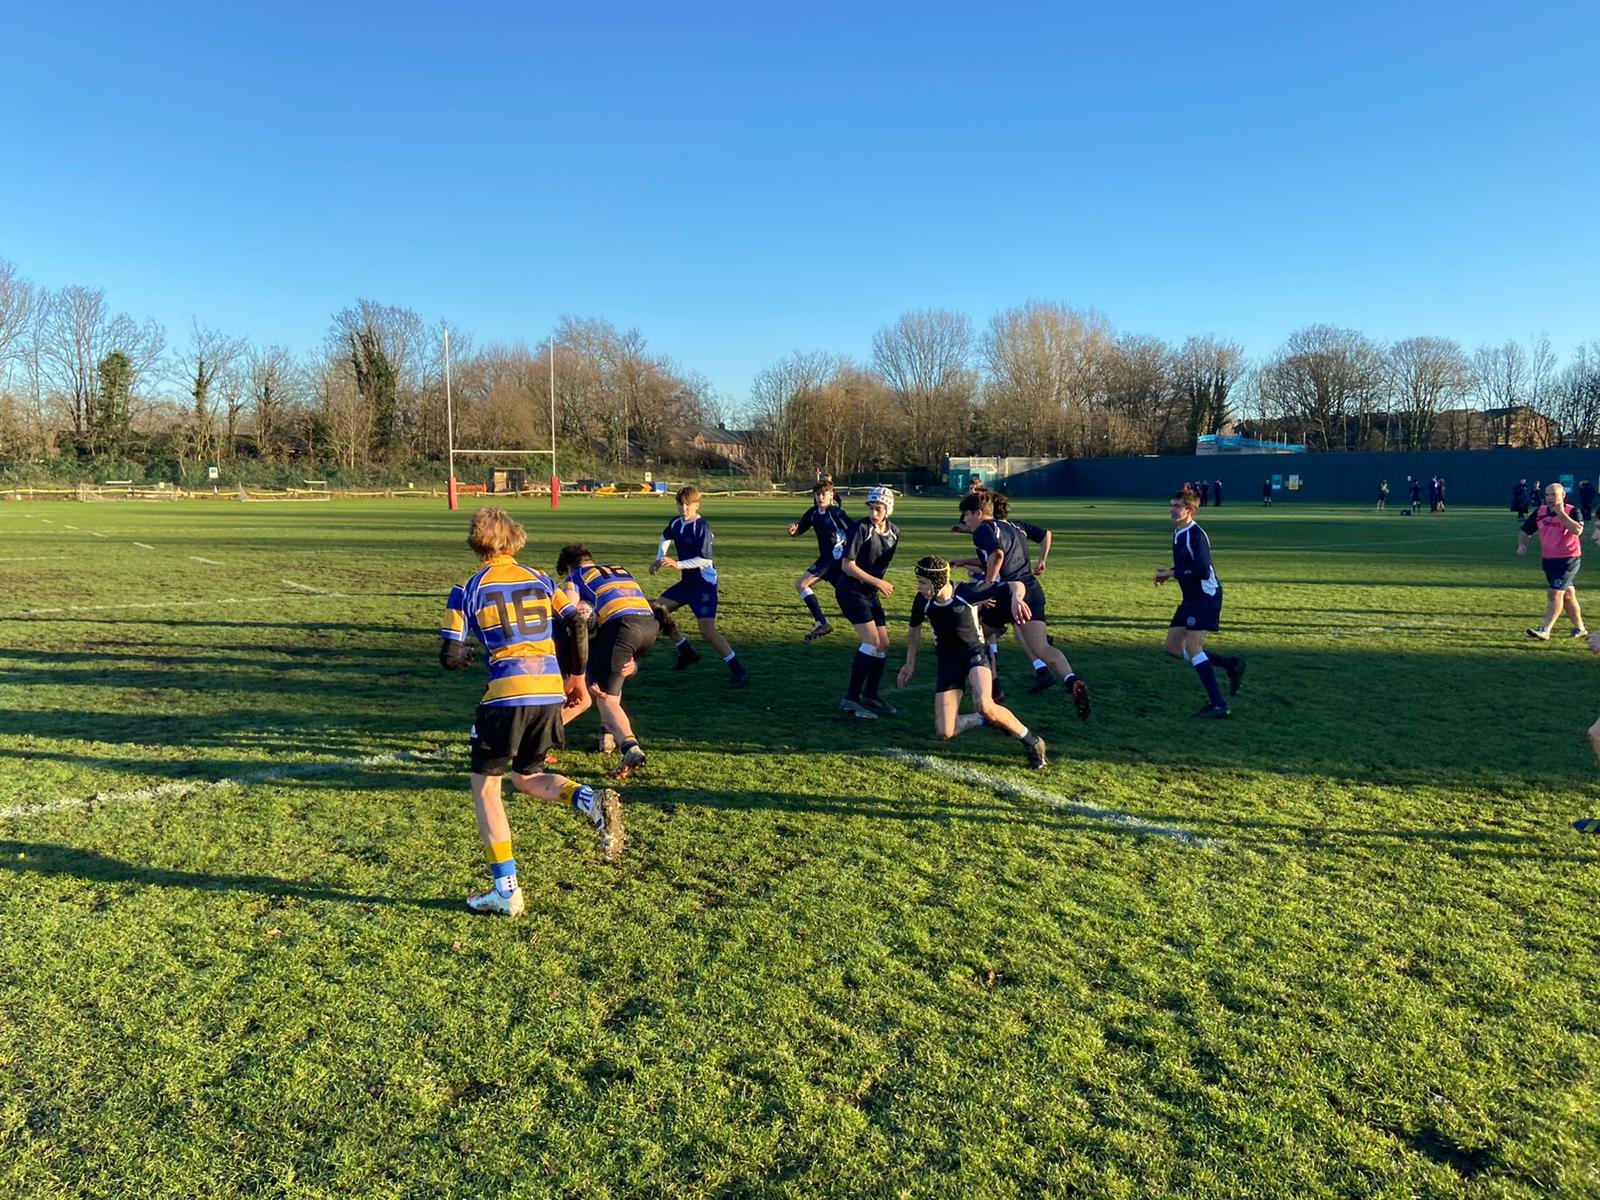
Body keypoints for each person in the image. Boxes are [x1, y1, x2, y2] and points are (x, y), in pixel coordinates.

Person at [439, 507, 624, 918]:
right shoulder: (541, 578)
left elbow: (450, 656)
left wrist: (466, 656)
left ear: (477, 542)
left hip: (506, 696)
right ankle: (589, 800)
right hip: (545, 692)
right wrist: (576, 676)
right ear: (514, 540)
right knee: (527, 776)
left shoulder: (467, 588)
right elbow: (577, 622)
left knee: (487, 788)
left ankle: (506, 889)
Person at [897, 555, 1048, 769]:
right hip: (948, 662)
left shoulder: (969, 592)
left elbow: (1016, 585)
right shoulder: (922, 601)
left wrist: (1016, 599)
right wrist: (909, 662)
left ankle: (1032, 740)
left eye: (922, 582)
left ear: (937, 582)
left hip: (974, 654)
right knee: (945, 732)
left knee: (985, 703)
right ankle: (984, 720)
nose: (918, 586)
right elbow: (914, 631)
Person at [956, 489, 1091, 719]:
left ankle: (994, 692)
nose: (964, 519)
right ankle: (1071, 680)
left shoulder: (983, 530)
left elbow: (997, 556)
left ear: (978, 513)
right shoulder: (1015, 526)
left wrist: (987, 587)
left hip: (1006, 594)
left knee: (979, 637)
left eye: (966, 514)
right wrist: (965, 561)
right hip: (1031, 590)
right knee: (1042, 648)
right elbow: (997, 557)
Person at [557, 543, 674, 780]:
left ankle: (630, 748)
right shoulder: (620, 569)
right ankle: (606, 734)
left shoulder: (576, 576)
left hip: (621, 626)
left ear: (569, 567)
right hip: (649, 625)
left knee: (604, 697)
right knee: (612, 680)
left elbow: (569, 611)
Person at [1155, 486, 1245, 718]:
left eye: (1178, 506)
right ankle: (1230, 665)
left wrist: (1174, 573)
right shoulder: (1178, 532)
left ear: (1190, 510)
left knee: (1193, 647)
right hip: (1191, 598)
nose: (1173, 510)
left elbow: (1203, 570)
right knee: (1173, 648)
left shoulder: (1196, 535)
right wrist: (1171, 571)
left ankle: (1219, 705)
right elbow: (1189, 567)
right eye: (1171, 506)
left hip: (1206, 596)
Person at [652, 485, 749, 688]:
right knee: (657, 611)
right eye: (680, 504)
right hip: (687, 583)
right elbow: (665, 537)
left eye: (688, 505)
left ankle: (738, 670)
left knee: (707, 630)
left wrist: (677, 564)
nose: (684, 509)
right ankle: (686, 651)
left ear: (697, 505)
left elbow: (705, 560)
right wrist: (659, 559)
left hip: (704, 585)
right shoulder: (676, 523)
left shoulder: (701, 527)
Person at [835, 486, 900, 717]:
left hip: (869, 592)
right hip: (850, 590)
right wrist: (879, 583)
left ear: (888, 509)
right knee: (871, 642)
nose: (874, 513)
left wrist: (876, 584)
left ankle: (871, 695)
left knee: (883, 644)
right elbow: (847, 566)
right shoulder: (861, 528)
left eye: (878, 509)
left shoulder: (894, 533)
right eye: (871, 508)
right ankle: (850, 698)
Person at [1517, 482, 1586, 641]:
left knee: (1555, 592)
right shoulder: (1540, 512)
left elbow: (1577, 530)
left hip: (1569, 559)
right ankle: (1580, 628)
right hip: (1549, 559)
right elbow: (1525, 530)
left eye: (1553, 494)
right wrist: (1522, 544)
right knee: (1567, 595)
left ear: (1563, 496)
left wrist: (1561, 514)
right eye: (1547, 494)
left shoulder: (1572, 511)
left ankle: (1545, 630)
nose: (1549, 498)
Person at [787, 478, 852, 642]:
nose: (820, 497)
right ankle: (871, 619)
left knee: (801, 584)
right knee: (848, 596)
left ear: (832, 495)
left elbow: (854, 531)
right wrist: (794, 531)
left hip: (834, 559)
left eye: (824, 494)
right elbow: (801, 528)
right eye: (817, 494)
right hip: (828, 559)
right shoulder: (813, 512)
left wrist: (848, 550)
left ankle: (821, 622)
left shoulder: (836, 513)